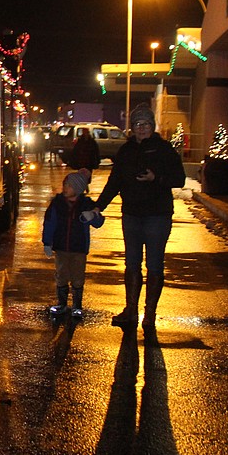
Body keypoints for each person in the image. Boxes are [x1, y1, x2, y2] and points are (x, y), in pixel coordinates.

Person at [92, 103, 186, 330]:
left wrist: (157, 178)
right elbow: (115, 181)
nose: (141, 128)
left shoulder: (164, 149)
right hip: (131, 214)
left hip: (157, 216)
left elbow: (179, 179)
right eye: (137, 124)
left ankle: (150, 314)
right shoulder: (126, 150)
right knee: (131, 263)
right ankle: (131, 310)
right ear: (132, 128)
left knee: (154, 264)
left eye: (145, 124)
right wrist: (99, 206)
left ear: (152, 126)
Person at [42, 169, 104, 319]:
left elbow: (99, 222)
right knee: (61, 275)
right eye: (65, 185)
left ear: (77, 189)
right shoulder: (57, 203)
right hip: (61, 247)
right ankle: (62, 303)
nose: (65, 188)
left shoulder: (86, 204)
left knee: (77, 276)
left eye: (68, 186)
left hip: (79, 248)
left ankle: (77, 305)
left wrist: (93, 216)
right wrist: (47, 242)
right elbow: (50, 223)